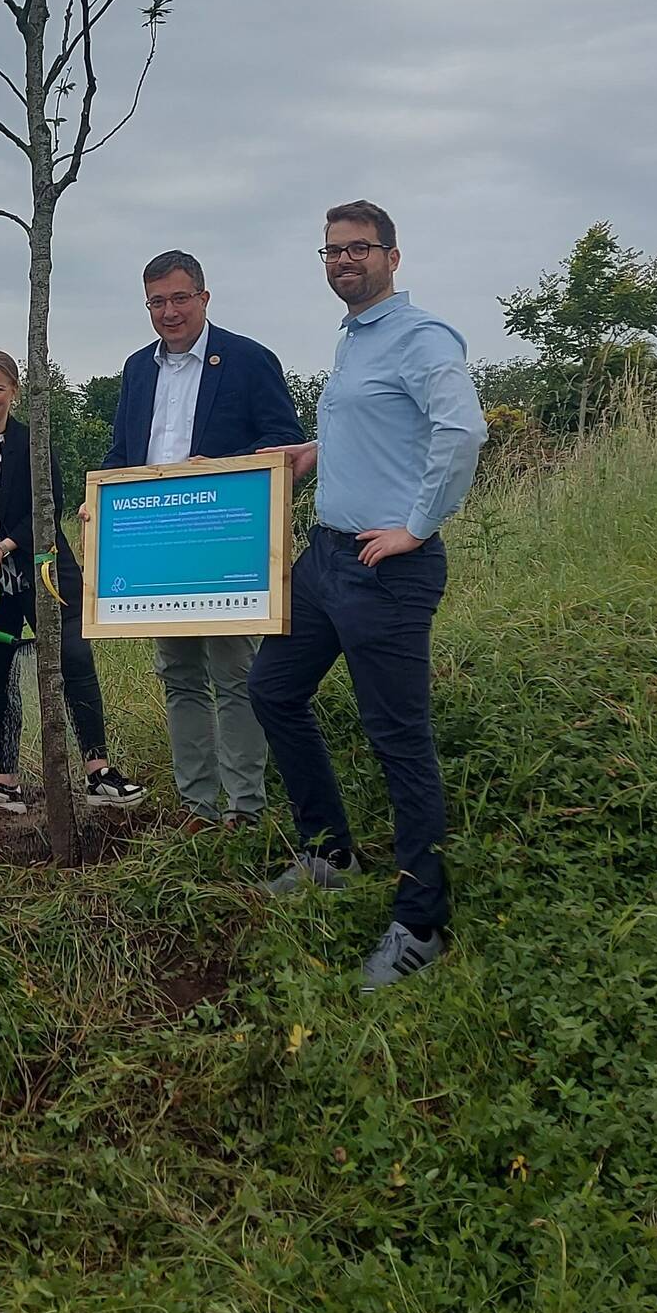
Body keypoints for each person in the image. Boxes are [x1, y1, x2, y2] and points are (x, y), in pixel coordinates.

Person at [247, 200, 487, 989]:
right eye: (331, 251)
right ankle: (330, 851)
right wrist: (309, 454)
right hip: (325, 559)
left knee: (399, 740)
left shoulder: (421, 338)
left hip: (387, 568)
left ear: (392, 256)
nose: (342, 260)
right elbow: (378, 428)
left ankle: (421, 923)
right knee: (273, 688)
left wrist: (417, 526)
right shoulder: (355, 341)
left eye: (357, 248)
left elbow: (461, 431)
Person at [98, 249, 305, 830]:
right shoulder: (138, 369)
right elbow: (122, 454)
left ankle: (245, 809)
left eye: (179, 298)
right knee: (179, 677)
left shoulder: (248, 360)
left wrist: (215, 473)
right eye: (156, 302)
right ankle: (198, 806)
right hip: (155, 552)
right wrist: (101, 503)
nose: (169, 312)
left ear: (204, 298)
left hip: (225, 547)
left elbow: (286, 447)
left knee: (236, 678)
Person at [0, 348, 145, 814]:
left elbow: (49, 504)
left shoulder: (31, 441)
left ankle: (98, 772)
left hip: (40, 565)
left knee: (72, 658)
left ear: (14, 392)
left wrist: (5, 546)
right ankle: (4, 784)